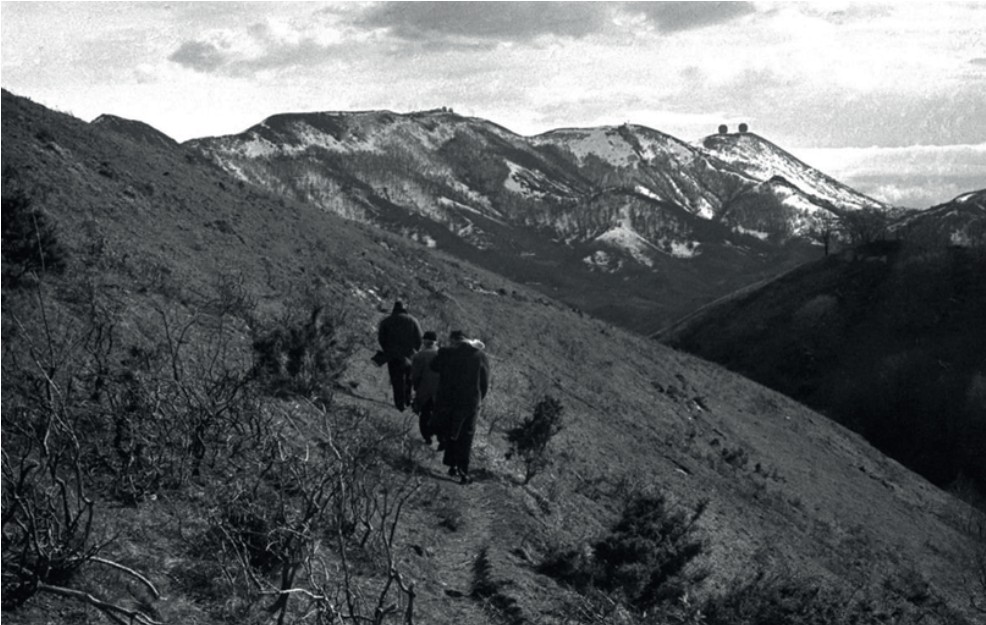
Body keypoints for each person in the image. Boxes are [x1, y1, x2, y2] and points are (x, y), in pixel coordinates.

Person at [430, 330, 490, 484]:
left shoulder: (448, 353)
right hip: (470, 401)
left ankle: (452, 465)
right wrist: (478, 399)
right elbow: (484, 382)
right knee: (466, 435)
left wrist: (442, 351)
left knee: (452, 431)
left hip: (449, 400)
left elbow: (434, 367)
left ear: (453, 340)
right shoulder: (480, 356)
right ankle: (463, 471)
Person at [377, 300, 423, 411]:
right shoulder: (413, 321)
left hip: (392, 355)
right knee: (408, 379)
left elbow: (381, 338)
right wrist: (414, 351)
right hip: (409, 356)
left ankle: (399, 404)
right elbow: (419, 339)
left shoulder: (386, 321)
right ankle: (407, 400)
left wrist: (387, 350)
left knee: (396, 379)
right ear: (405, 308)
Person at [410, 331, 441, 444]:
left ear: (425, 341)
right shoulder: (444, 354)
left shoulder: (420, 355)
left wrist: (415, 387)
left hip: (425, 390)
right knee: (437, 414)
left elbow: (415, 375)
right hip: (440, 392)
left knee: (425, 414)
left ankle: (427, 436)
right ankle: (437, 435)